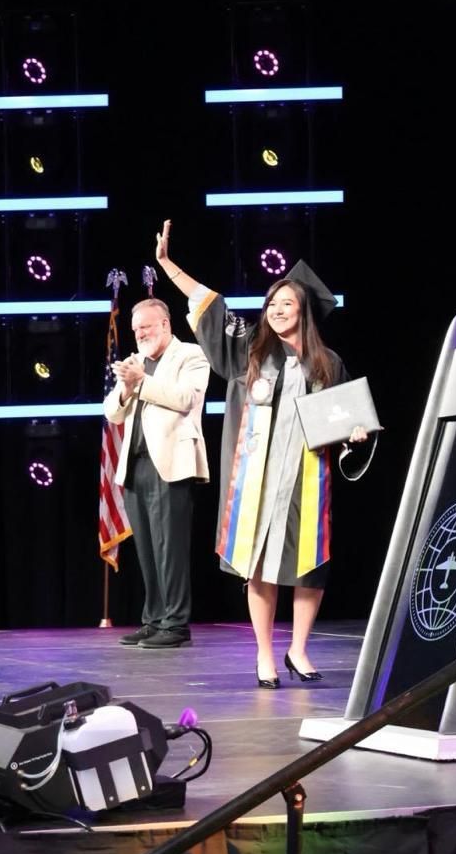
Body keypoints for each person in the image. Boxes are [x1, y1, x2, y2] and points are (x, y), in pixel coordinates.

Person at [154, 219, 369, 688]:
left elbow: (346, 419)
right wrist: (169, 265)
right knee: (258, 567)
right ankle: (265, 655)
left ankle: (299, 649)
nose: (276, 310)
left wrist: (354, 434)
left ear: (305, 311)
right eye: (272, 303)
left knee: (309, 568)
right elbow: (210, 305)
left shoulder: (328, 364)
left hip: (305, 481)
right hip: (256, 483)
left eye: (287, 303)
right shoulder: (248, 350)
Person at [104, 296, 210, 648]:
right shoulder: (136, 362)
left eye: (146, 326)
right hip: (136, 465)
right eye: (136, 329)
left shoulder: (190, 355)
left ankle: (176, 624)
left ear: (165, 324)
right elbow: (112, 412)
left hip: (171, 465)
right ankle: (153, 620)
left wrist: (142, 382)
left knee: (170, 550)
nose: (140, 334)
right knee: (147, 550)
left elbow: (186, 399)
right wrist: (127, 387)